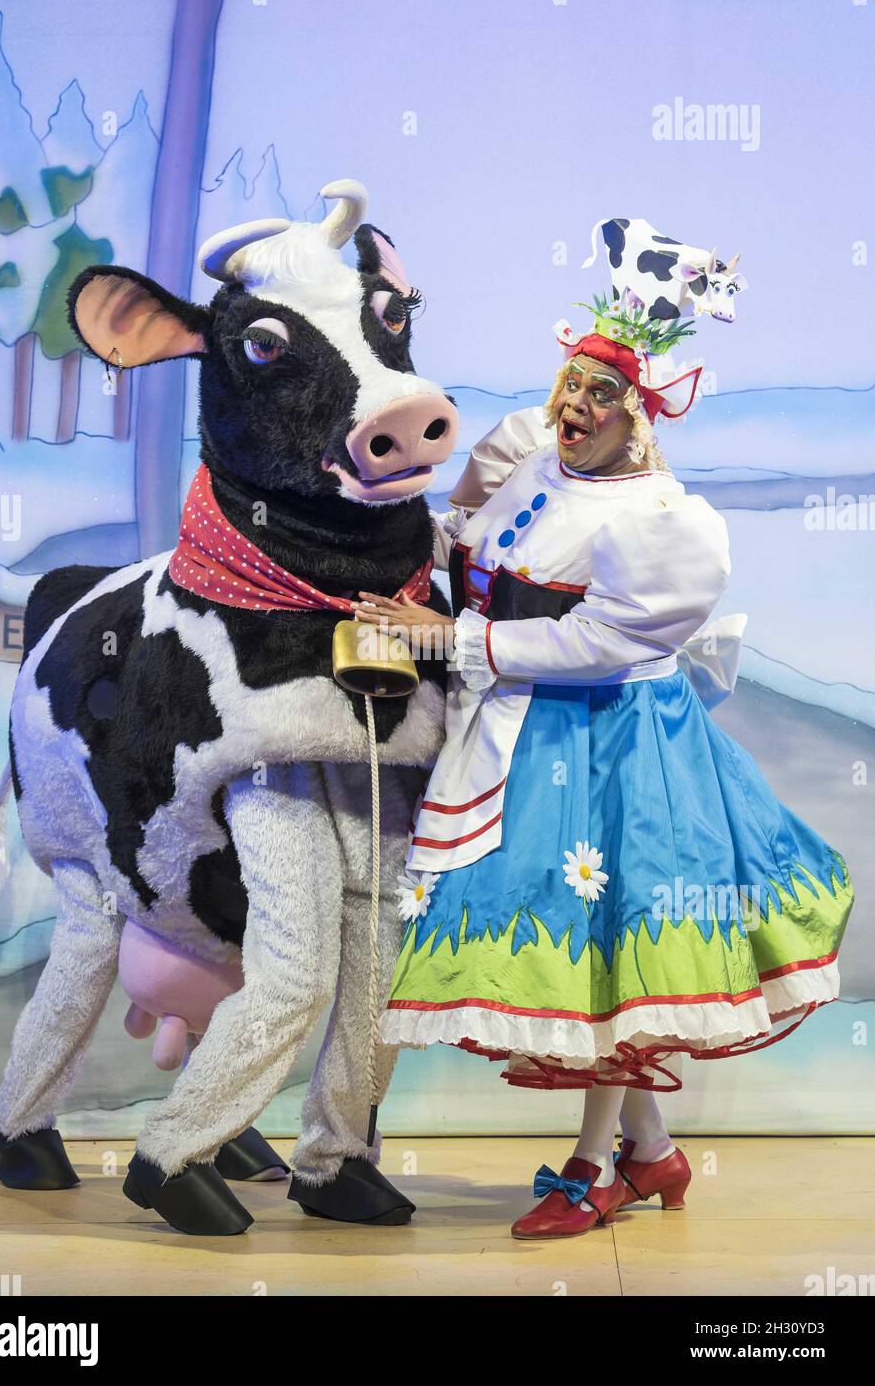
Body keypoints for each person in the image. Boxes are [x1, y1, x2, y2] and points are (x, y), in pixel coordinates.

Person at [353, 247, 853, 1240]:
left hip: (611, 750)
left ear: (642, 412)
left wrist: (448, 638)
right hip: (516, 730)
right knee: (584, 959)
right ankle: (652, 1150)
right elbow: (466, 533)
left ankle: (596, 1164)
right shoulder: (525, 452)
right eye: (569, 384)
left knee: (602, 955)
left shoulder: (662, 522)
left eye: (600, 393)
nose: (574, 406)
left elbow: (592, 641)